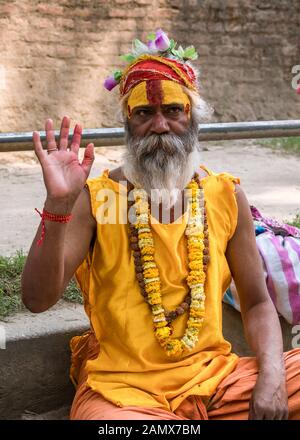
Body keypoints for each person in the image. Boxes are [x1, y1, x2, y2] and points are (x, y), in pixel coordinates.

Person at [21, 30, 300, 420]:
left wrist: (271, 378)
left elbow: (256, 302)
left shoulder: (224, 194)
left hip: (216, 381)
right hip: (123, 393)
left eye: (173, 110)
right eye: (144, 114)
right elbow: (36, 300)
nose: (160, 125)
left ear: (193, 119)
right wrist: (58, 204)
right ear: (128, 125)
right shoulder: (98, 198)